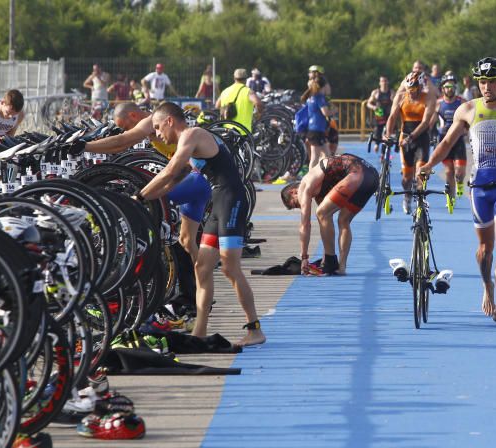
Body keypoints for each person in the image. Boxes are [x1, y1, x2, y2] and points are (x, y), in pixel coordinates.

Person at [139, 102, 265, 346]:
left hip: (231, 200)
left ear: (169, 121)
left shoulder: (192, 135)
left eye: (157, 127)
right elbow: (171, 182)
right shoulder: (188, 141)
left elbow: (169, 171)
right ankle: (199, 332)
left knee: (230, 268)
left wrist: (139, 196)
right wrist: (142, 199)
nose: (157, 135)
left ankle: (255, 329)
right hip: (217, 203)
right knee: (203, 268)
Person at [419, 57, 496, 323]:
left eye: (491, 82)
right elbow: (447, 142)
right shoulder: (467, 110)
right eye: (482, 82)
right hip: (479, 187)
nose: (486, 87)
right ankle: (487, 287)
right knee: (485, 248)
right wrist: (428, 165)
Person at [82, 102, 211, 261]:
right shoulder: (158, 120)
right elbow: (120, 145)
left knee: (152, 201)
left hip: (195, 175)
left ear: (133, 116)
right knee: (186, 240)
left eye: (125, 125)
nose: (126, 130)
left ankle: (146, 253)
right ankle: (197, 282)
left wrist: (85, 146)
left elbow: (121, 142)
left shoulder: (150, 122)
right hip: (189, 173)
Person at [280, 153, 379, 276]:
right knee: (343, 220)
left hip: (357, 173)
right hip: (373, 177)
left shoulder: (304, 186)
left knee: (321, 212)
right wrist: (323, 257)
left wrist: (304, 257)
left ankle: (330, 262)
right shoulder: (320, 190)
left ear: (293, 192)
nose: (300, 206)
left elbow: (305, 225)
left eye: (296, 204)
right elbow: (327, 226)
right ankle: (341, 267)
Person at [385, 70, 437, 214]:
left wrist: (411, 137)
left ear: (420, 86)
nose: (411, 92)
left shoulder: (428, 98)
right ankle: (407, 196)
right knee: (407, 177)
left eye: (413, 89)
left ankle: (420, 201)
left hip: (421, 139)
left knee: (420, 173)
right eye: (409, 89)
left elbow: (426, 122)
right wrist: (388, 134)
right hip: (405, 138)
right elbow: (392, 117)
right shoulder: (401, 97)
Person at [435, 73, 467, 198]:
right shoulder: (438, 104)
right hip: (444, 140)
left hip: (458, 139)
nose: (450, 89)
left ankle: (459, 182)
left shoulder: (462, 102)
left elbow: (470, 118)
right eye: (447, 86)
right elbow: (431, 121)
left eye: (452, 86)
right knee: (449, 171)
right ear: (443, 88)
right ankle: (451, 196)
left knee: (459, 172)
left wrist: (467, 129)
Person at [215, 68, 264, 133]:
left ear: (234, 78)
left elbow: (217, 106)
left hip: (226, 131)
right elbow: (259, 104)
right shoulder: (248, 91)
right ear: (246, 79)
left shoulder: (225, 91)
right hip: (242, 132)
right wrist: (258, 115)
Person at [301, 79, 333, 172]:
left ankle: (324, 174)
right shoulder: (319, 97)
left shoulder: (312, 97)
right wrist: (334, 111)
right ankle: (310, 177)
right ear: (323, 87)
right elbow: (325, 112)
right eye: (327, 85)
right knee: (315, 157)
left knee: (327, 156)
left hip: (316, 130)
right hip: (316, 130)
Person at [366, 75, 394, 143]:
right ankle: (377, 144)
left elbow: (396, 103)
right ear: (379, 83)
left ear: (388, 82)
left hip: (388, 113)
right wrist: (374, 107)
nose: (384, 83)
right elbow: (368, 103)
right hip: (379, 112)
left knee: (388, 132)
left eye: (385, 81)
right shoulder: (376, 92)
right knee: (378, 130)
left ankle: (384, 150)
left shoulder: (392, 92)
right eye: (382, 81)